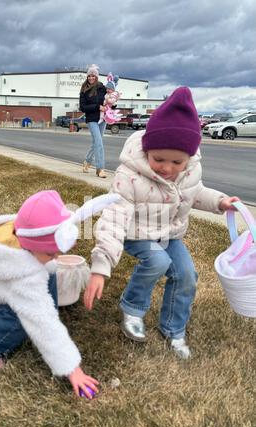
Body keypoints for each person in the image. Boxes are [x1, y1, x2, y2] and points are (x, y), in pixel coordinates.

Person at [84, 87, 240, 359]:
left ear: (189, 157)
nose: (167, 168)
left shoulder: (191, 169)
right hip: (137, 233)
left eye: (176, 162)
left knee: (187, 275)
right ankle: (132, 308)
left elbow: (196, 193)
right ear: (146, 150)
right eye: (158, 159)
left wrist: (220, 201)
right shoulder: (129, 175)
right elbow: (114, 216)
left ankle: (173, 328)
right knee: (157, 261)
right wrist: (100, 266)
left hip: (170, 234)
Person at [0, 190, 101, 399]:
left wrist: (53, 253)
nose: (57, 256)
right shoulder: (22, 277)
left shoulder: (14, 230)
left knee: (48, 273)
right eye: (52, 253)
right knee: (21, 317)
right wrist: (72, 368)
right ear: (33, 248)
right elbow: (42, 322)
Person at [80, 64, 107, 178]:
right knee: (99, 143)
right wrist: (97, 107)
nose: (91, 78)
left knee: (96, 142)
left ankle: (87, 161)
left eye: (93, 76)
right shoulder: (84, 90)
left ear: (96, 77)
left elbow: (108, 100)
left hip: (102, 118)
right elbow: (83, 107)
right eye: (89, 76)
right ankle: (100, 168)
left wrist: (113, 105)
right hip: (91, 119)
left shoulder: (102, 88)